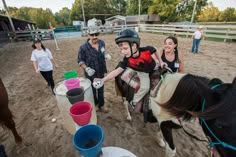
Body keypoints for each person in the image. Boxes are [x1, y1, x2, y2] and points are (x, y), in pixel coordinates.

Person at [93, 28, 159, 109]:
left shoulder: (146, 50)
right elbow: (116, 71)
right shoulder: (127, 60)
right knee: (145, 88)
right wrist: (103, 80)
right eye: (121, 49)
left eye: (125, 48)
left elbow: (155, 50)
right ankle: (134, 101)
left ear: (134, 46)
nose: (122, 52)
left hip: (154, 66)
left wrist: (161, 61)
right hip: (143, 72)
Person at [77, 26, 111, 112]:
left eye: (96, 34)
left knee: (101, 89)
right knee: (92, 90)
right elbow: (80, 61)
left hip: (100, 71)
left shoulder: (102, 43)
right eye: (92, 35)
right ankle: (95, 105)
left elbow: (103, 52)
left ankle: (101, 105)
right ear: (88, 35)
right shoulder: (83, 47)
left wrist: (105, 56)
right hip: (90, 74)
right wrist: (87, 69)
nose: (95, 36)